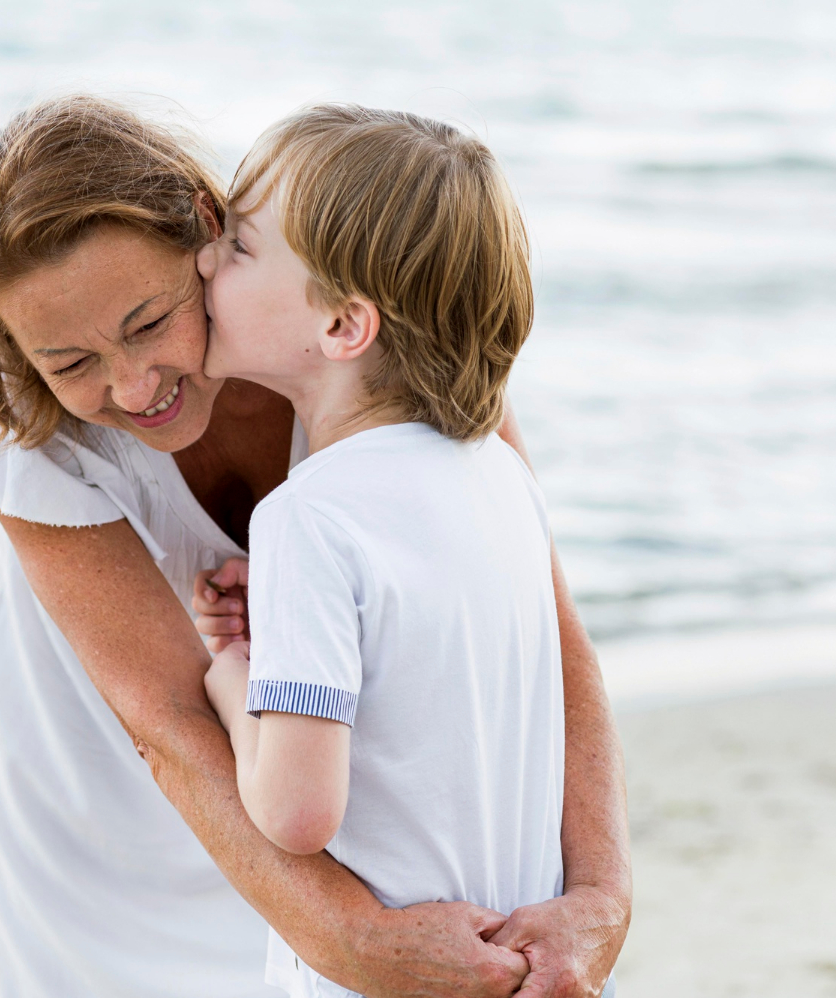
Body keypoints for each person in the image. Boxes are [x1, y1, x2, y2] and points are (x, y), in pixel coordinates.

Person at [0, 94, 630, 998]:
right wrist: (351, 942)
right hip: (102, 775)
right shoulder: (8, 398)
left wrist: (601, 897)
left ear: (206, 238)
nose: (134, 388)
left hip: (298, 772)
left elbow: (548, 627)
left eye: (148, 322)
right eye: (71, 364)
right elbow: (165, 724)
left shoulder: (370, 342)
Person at [195, 104, 610, 998]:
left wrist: (231, 682)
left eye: (238, 247)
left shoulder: (309, 520)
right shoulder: (500, 477)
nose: (202, 260)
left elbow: (299, 814)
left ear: (345, 325)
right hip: (518, 957)